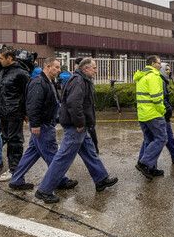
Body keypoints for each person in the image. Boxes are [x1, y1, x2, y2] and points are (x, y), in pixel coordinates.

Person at [34, 58, 117, 203]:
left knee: (89, 151)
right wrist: (79, 123)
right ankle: (44, 190)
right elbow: (74, 103)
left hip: (78, 125)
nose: (96, 71)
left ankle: (101, 179)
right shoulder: (79, 81)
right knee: (64, 157)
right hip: (75, 126)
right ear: (86, 69)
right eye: (94, 68)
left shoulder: (81, 80)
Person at [8, 58, 78, 192]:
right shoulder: (39, 82)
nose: (58, 71)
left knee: (32, 153)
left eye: (58, 68)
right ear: (47, 66)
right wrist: (35, 124)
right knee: (52, 154)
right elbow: (34, 105)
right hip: (43, 126)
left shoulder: (48, 81)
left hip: (44, 124)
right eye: (56, 68)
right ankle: (60, 180)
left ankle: (16, 179)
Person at [0, 48, 30, 182]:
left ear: (10, 58)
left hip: (15, 112)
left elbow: (27, 94)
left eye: (1, 58)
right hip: (3, 112)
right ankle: (13, 166)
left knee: (15, 141)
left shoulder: (21, 73)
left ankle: (15, 169)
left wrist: (26, 112)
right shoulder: (2, 72)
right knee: (8, 138)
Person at [134, 55, 169, 180]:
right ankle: (144, 163)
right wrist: (163, 110)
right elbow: (156, 97)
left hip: (143, 114)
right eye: (159, 63)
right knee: (161, 138)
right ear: (153, 64)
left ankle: (151, 168)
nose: (161, 65)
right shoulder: (153, 76)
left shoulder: (141, 76)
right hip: (153, 114)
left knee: (149, 140)